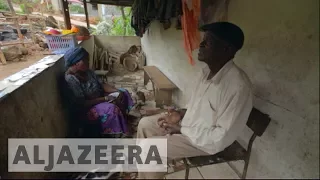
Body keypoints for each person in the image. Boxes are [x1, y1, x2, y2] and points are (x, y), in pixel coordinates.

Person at [137, 22, 253, 179]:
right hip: (189, 127)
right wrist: (180, 114)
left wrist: (180, 129)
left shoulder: (237, 87)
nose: (201, 44)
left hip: (204, 142)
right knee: (144, 125)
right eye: (203, 40)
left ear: (226, 49)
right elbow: (196, 108)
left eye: (208, 41)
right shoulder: (205, 73)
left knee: (150, 149)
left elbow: (219, 139)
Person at [64, 47, 134, 137]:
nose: (88, 62)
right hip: (88, 108)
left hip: (100, 97)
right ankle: (114, 133)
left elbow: (102, 84)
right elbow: (82, 103)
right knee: (112, 109)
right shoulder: (71, 79)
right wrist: (105, 99)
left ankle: (123, 119)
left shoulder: (88, 72)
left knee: (123, 92)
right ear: (76, 63)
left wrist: (116, 91)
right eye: (85, 60)